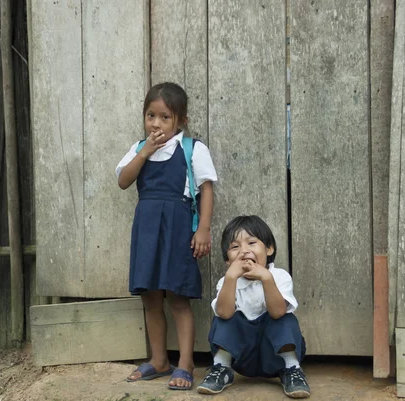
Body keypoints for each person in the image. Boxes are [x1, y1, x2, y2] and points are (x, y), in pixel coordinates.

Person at [116, 82, 217, 390]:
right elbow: (123, 180)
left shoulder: (192, 149)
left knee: (177, 296)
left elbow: (207, 190)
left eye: (164, 117)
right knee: (150, 296)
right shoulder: (138, 148)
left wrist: (203, 229)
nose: (156, 123)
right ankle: (159, 360)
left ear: (180, 121)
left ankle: (185, 363)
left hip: (176, 229)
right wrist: (145, 151)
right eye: (150, 115)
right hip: (147, 230)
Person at [196, 215, 310, 398]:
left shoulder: (279, 276)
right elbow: (224, 313)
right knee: (223, 317)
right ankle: (222, 368)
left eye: (251, 243)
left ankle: (291, 369)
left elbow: (278, 311)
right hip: (241, 356)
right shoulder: (226, 281)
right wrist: (231, 278)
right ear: (228, 260)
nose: (244, 251)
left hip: (274, 354)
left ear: (269, 248)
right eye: (235, 247)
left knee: (286, 318)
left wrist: (266, 278)